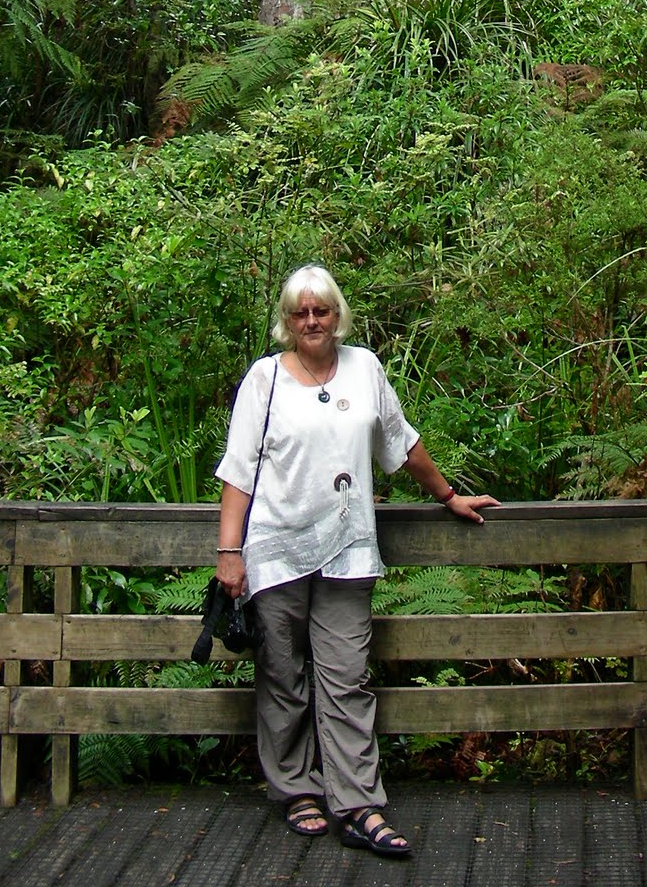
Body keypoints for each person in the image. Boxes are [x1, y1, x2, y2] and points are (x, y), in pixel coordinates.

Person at [215, 263, 498, 856]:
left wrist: (448, 496)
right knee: (283, 676)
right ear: (287, 322)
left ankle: (358, 804)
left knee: (347, 678)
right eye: (301, 312)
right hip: (275, 551)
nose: (313, 320)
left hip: (348, 549)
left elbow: (401, 441)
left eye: (322, 310)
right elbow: (238, 472)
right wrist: (229, 552)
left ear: (337, 315)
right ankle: (296, 789)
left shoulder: (365, 368)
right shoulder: (264, 380)